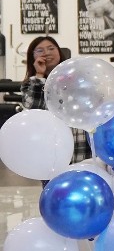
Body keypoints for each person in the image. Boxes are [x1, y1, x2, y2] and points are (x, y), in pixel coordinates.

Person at [22, 35, 92, 164]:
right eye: (40, 50)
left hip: (80, 141)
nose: (46, 53)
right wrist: (40, 75)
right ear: (33, 56)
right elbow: (33, 110)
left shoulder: (76, 77)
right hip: (51, 145)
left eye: (51, 48)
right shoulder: (31, 84)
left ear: (59, 51)